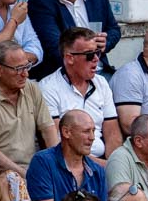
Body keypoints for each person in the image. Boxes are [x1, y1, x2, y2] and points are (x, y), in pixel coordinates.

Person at [0, 40, 57, 175]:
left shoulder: (31, 88)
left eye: (27, 66)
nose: (25, 74)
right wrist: (24, 174)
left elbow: (48, 128)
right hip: (3, 174)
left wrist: (56, 164)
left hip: (35, 168)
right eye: (18, 69)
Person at [28, 0, 119, 79]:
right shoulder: (40, 2)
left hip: (100, 71)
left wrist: (105, 42)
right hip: (65, 76)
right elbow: (56, 49)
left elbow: (114, 29)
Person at [38, 29, 117, 163]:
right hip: (70, 164)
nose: (96, 59)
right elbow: (56, 144)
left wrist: (115, 164)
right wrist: (104, 166)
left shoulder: (101, 82)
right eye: (89, 55)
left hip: (103, 162)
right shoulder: (48, 88)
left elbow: (112, 133)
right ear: (70, 58)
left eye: (97, 52)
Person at [27, 108, 109, 201]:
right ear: (66, 132)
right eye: (86, 131)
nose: (92, 137)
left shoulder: (97, 171)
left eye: (93, 131)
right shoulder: (43, 162)